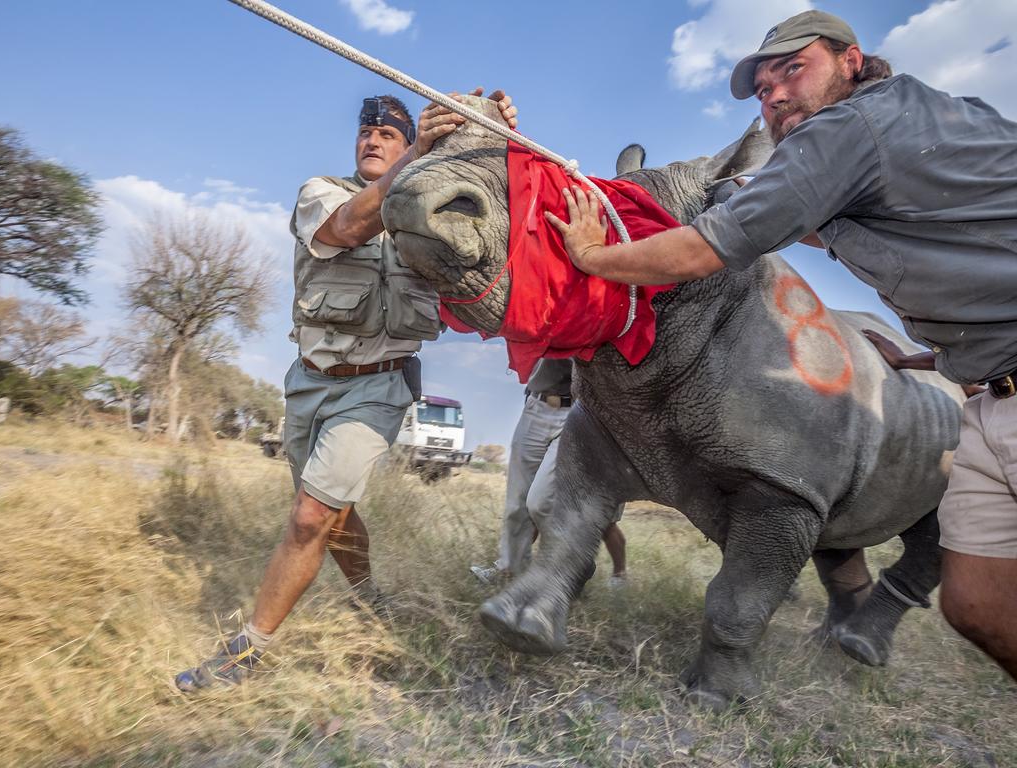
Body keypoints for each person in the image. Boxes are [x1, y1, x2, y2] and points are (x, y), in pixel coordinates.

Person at [545, 10, 1017, 680]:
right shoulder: (911, 125)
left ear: (852, 60)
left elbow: (709, 246)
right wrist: (932, 358)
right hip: (991, 390)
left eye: (794, 70)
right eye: (763, 89)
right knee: (974, 605)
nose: (776, 95)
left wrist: (594, 255)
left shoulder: (848, 128)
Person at [175, 90, 517, 692]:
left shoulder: (426, 215)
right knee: (332, 514)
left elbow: (492, 231)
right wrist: (417, 159)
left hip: (380, 387)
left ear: (407, 142)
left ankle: (246, 651)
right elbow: (349, 226)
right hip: (310, 384)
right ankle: (368, 597)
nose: (373, 140)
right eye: (367, 132)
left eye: (390, 134)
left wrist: (496, 138)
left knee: (309, 516)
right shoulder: (321, 193)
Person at [470, 358, 627, 587]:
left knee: (542, 502)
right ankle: (509, 570)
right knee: (519, 503)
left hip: (580, 413)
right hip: (537, 406)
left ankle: (605, 569)